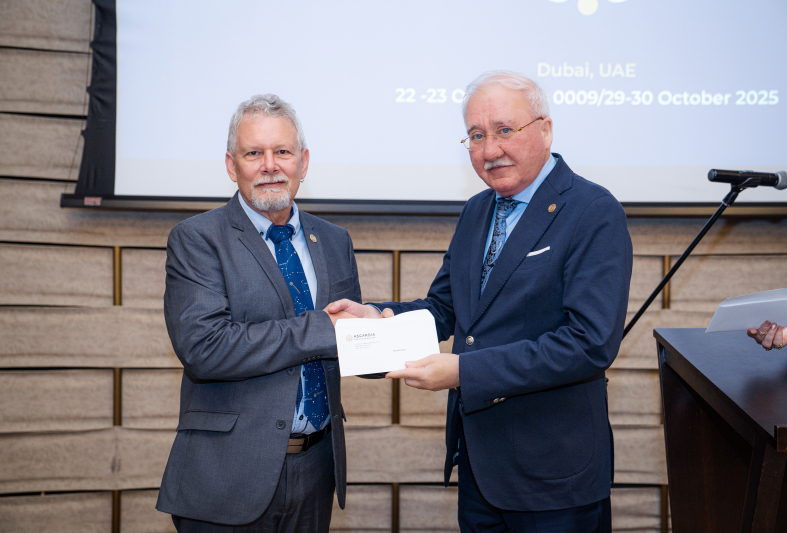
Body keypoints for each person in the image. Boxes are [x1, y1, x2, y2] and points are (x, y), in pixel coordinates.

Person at [327, 70, 633, 532]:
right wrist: (376, 319)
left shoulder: (592, 210)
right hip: (478, 467)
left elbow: (589, 343)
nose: (490, 150)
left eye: (504, 130)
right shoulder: (477, 209)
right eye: (476, 136)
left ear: (545, 129)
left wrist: (464, 373)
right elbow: (444, 309)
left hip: (554, 476)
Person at [156, 94, 363, 532]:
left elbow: (346, 340)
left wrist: (388, 337)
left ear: (303, 162)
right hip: (227, 475)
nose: (270, 165)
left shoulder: (335, 240)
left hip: (316, 468)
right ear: (232, 166)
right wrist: (323, 328)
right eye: (254, 153)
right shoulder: (197, 239)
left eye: (283, 151)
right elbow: (205, 349)